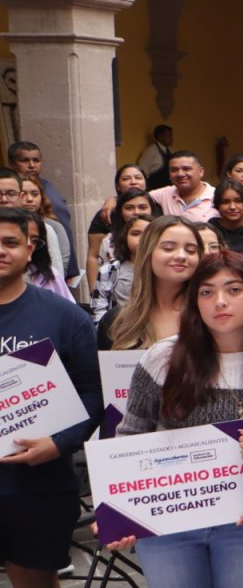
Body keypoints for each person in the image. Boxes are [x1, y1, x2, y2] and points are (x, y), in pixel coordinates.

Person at [113, 251, 243, 587]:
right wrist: (121, 511)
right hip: (168, 522)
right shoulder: (163, 358)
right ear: (194, 300)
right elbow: (130, 436)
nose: (220, 302)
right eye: (206, 292)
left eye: (233, 290)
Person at [0, 207, 101, 588]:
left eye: (10, 242)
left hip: (38, 485)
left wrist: (59, 444)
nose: (1, 251)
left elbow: (93, 393)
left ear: (31, 248)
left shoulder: (65, 316)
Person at [99, 216, 202, 349]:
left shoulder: (209, 316)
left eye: (191, 250)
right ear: (147, 253)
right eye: (168, 248)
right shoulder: (115, 321)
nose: (181, 256)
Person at [146, 151, 218, 223]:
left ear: (201, 171)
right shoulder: (164, 194)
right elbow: (138, 196)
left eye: (186, 169)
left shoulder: (216, 195)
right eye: (174, 170)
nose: (180, 174)